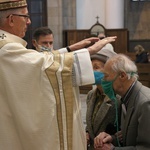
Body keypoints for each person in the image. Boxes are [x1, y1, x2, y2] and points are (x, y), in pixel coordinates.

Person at [0, 0, 117, 150]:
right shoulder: (6, 49)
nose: (29, 21)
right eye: (25, 16)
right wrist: (89, 51)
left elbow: (41, 62)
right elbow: (44, 66)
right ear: (11, 19)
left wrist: (69, 49)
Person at [94, 54, 150, 150]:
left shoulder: (145, 103)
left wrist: (113, 149)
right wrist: (112, 138)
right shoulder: (125, 97)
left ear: (122, 76)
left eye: (106, 76)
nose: (103, 80)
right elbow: (130, 134)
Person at [85, 48, 121, 150]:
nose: (91, 71)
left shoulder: (118, 97)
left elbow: (126, 132)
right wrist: (87, 133)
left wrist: (112, 139)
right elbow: (91, 123)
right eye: (90, 67)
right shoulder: (91, 95)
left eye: (96, 67)